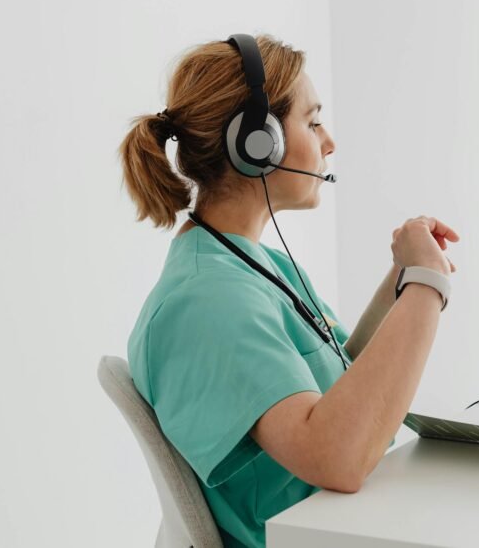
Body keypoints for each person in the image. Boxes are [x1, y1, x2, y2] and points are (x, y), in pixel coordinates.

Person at [118, 35, 458, 548]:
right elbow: (337, 457)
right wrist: (427, 288)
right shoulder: (211, 299)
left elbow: (339, 380)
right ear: (258, 142)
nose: (329, 142)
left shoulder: (247, 264)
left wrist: (402, 277)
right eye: (313, 120)